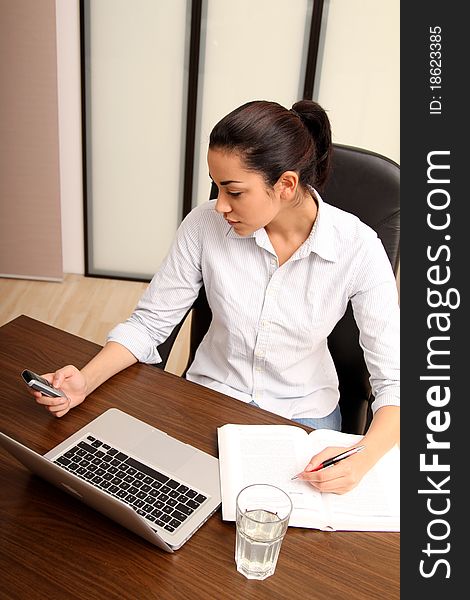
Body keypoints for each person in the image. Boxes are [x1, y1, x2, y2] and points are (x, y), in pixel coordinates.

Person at [30, 100, 400, 494]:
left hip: (301, 419)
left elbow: (395, 380)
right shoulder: (204, 226)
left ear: (286, 184)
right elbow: (149, 324)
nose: (220, 205)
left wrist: (363, 457)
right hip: (209, 400)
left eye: (234, 191)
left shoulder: (358, 248)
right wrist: (84, 381)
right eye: (217, 184)